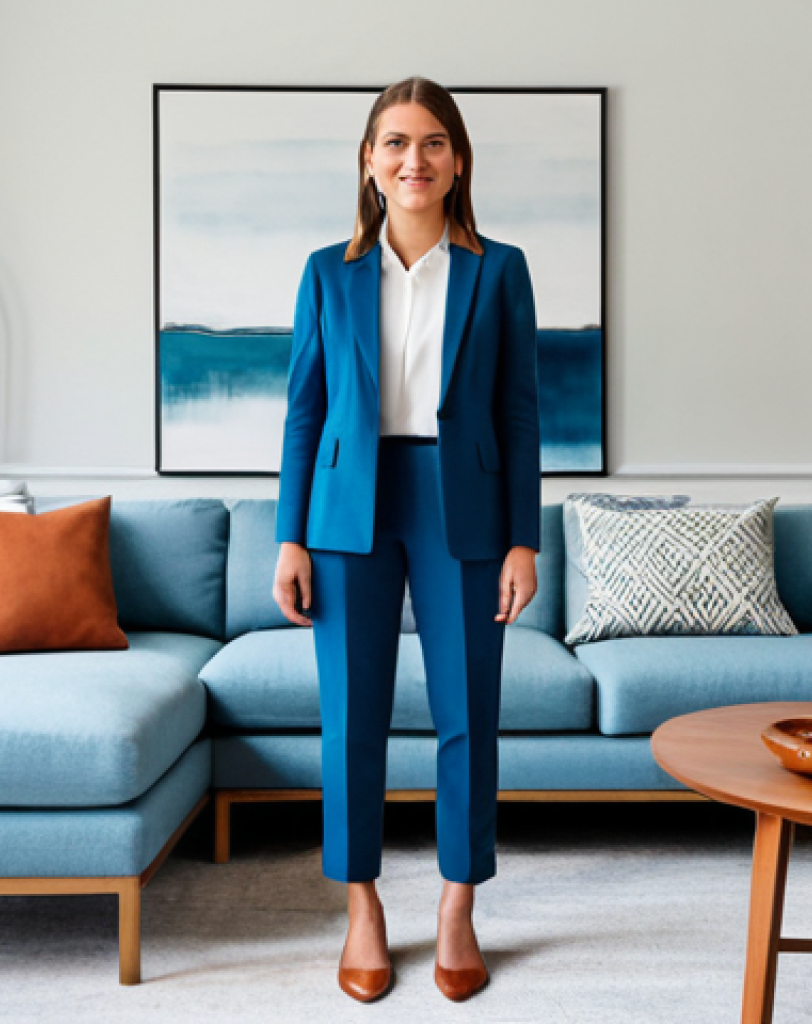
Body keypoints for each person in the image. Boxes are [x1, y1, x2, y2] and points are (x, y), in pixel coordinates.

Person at [272, 76, 541, 1003]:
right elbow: (304, 412)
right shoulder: (326, 272)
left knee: (468, 714)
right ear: (368, 161)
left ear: (457, 159)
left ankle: (460, 905)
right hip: (348, 510)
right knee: (354, 718)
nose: (413, 159)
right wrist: (288, 537)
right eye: (394, 142)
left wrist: (523, 540)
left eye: (431, 142)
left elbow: (518, 412)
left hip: (461, 503)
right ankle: (362, 906)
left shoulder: (499, 268)